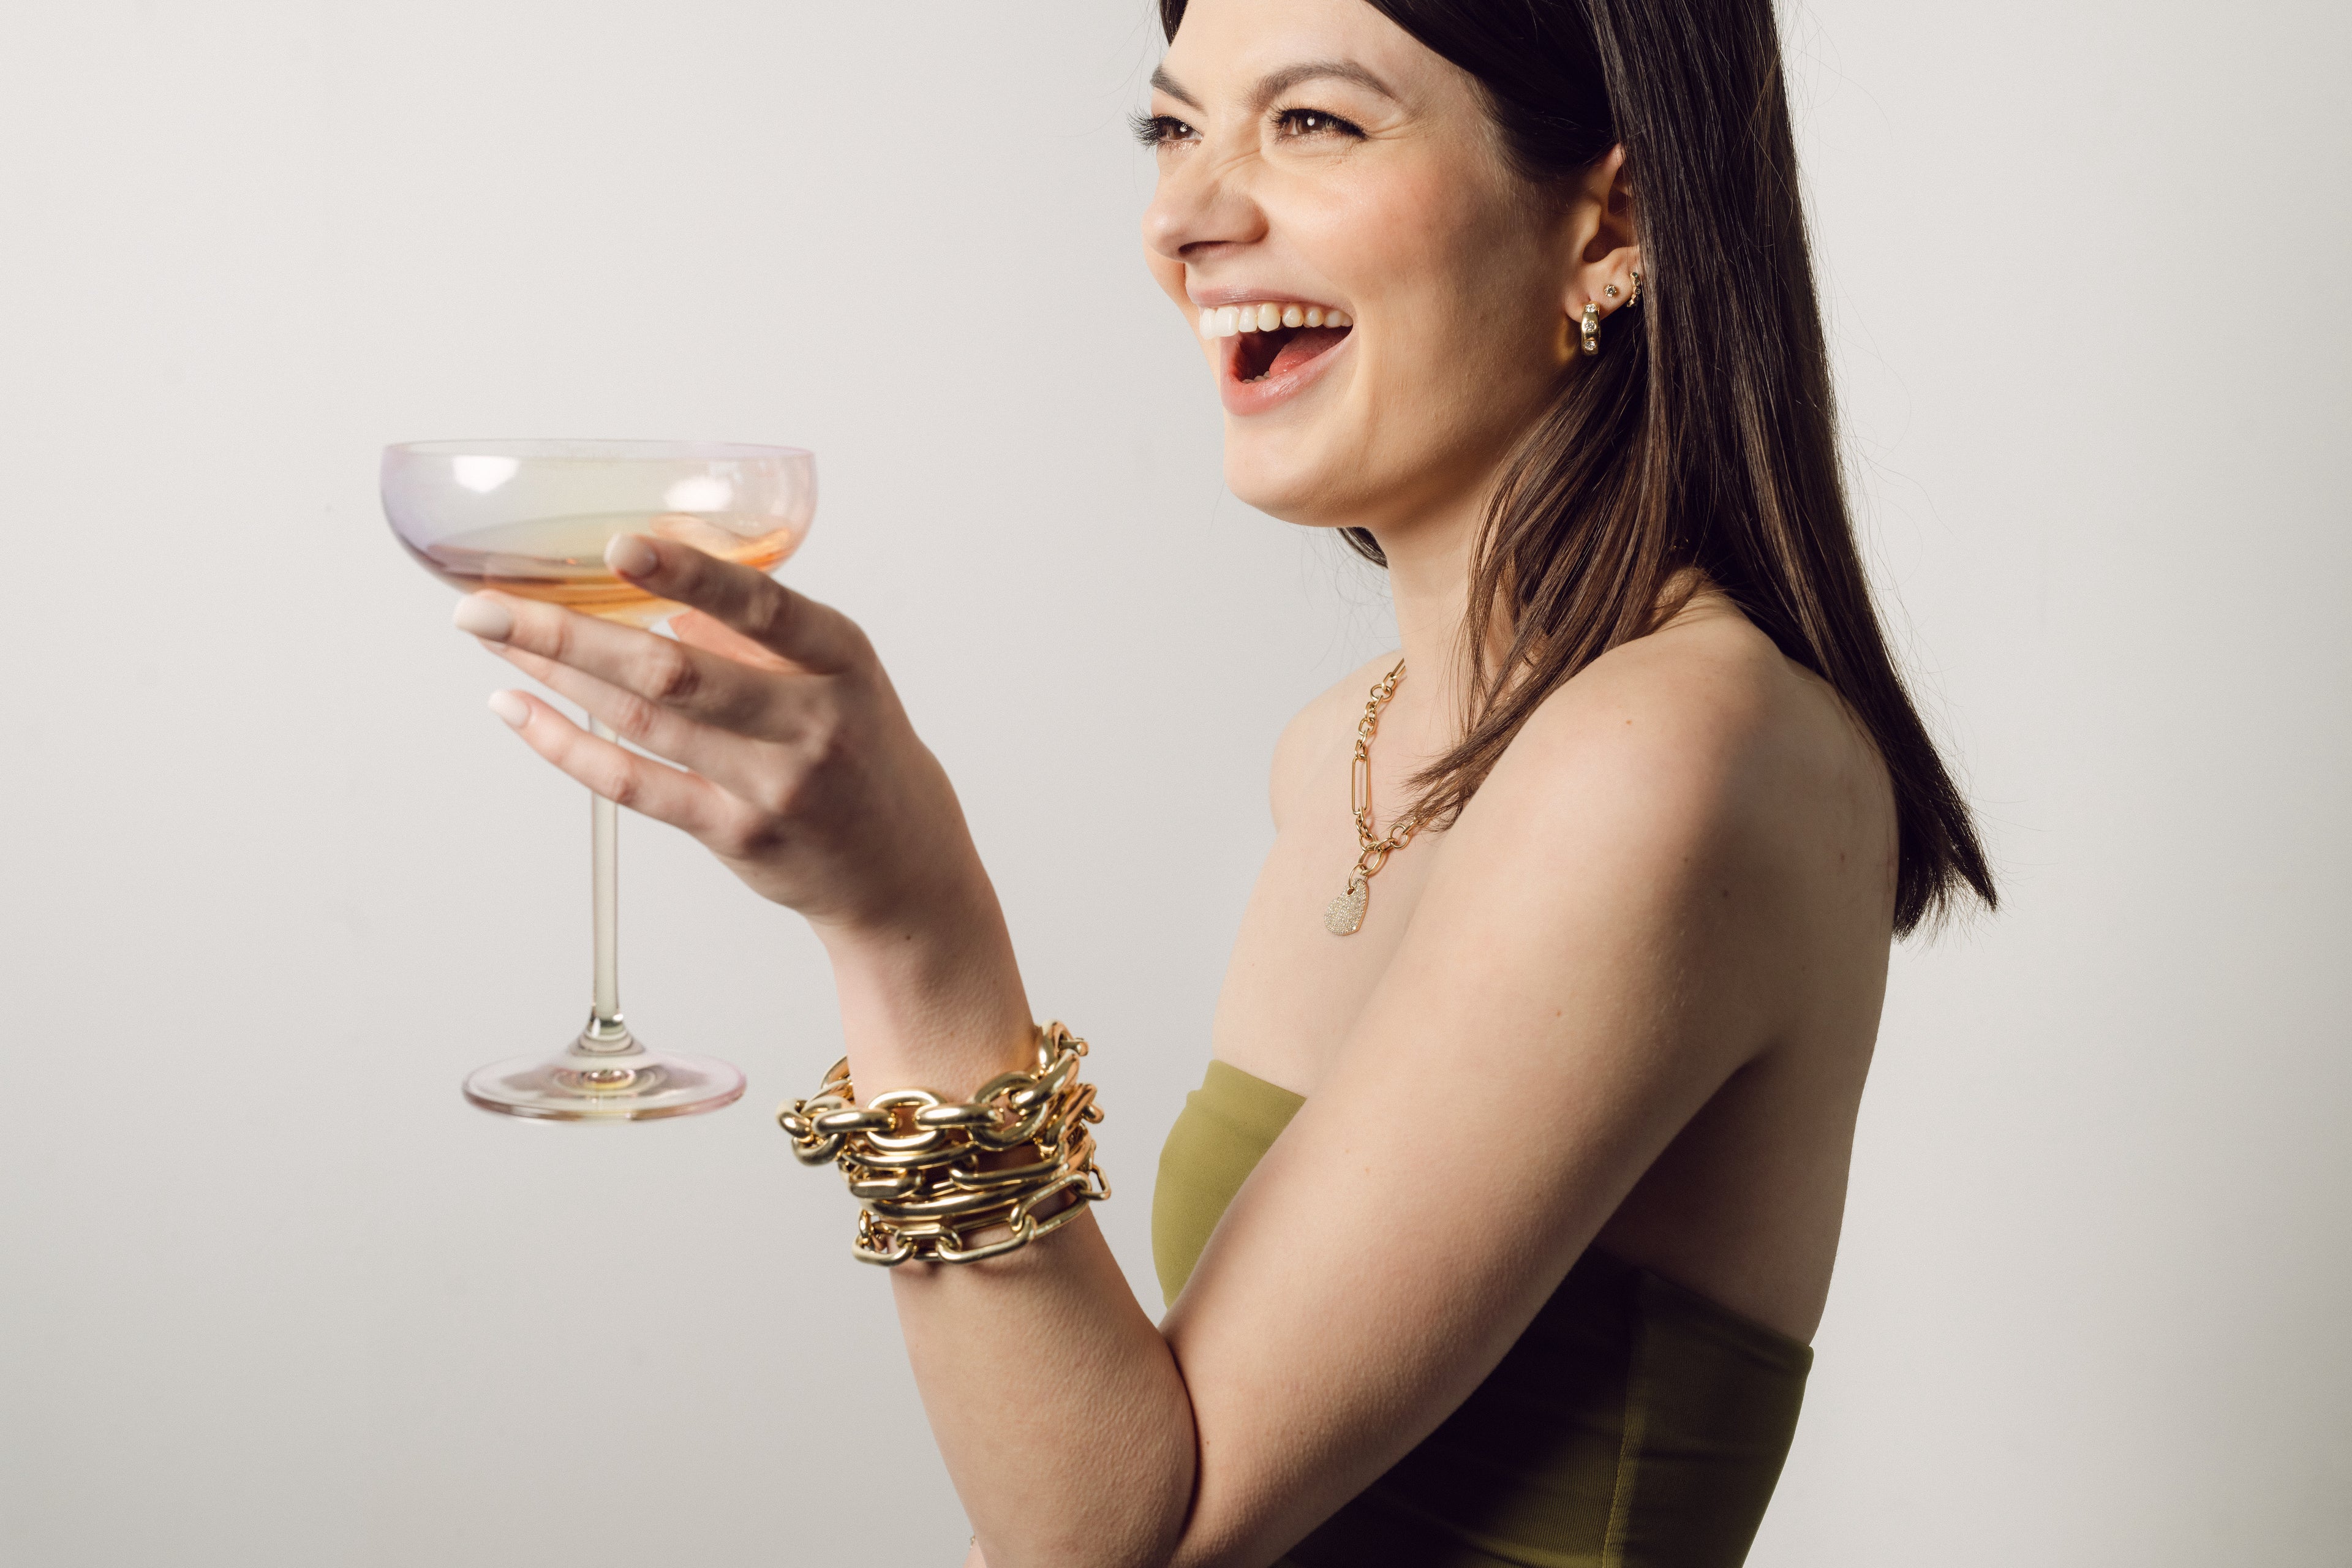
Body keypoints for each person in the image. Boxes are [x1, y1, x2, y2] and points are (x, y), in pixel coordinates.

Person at [448, 0, 1996, 1561]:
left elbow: (1121, 1535)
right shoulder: (1340, 750)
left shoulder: (1675, 753)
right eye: (1174, 128)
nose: (1183, 219)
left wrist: (904, 926)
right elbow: (1118, 1438)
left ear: (1615, 218)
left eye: (1314, 123)